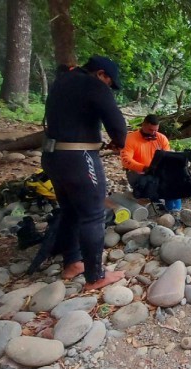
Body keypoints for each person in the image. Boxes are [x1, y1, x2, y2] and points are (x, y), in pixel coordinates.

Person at [42, 55, 127, 290]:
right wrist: (119, 142)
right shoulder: (93, 85)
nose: (109, 86)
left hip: (52, 157)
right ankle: (96, 276)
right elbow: (118, 126)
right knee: (93, 214)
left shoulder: (61, 81)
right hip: (79, 158)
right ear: (101, 74)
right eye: (110, 82)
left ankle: (72, 263)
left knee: (70, 210)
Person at [120, 114, 182, 211]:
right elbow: (126, 161)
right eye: (150, 130)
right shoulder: (130, 138)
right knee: (152, 184)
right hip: (137, 172)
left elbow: (168, 158)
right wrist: (144, 168)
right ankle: (152, 199)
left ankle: (174, 210)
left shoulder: (161, 138)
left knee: (174, 180)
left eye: (155, 130)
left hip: (157, 172)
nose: (153, 133)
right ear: (143, 125)